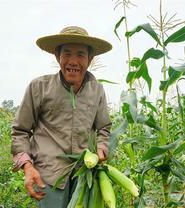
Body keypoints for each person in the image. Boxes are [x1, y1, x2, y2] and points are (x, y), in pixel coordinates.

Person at [11, 26, 112, 207]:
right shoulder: (39, 87)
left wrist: (102, 147)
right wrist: (27, 166)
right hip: (49, 177)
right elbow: (20, 131)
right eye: (67, 54)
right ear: (57, 56)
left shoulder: (97, 90)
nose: (73, 61)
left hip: (84, 177)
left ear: (90, 59)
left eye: (80, 54)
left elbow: (104, 127)